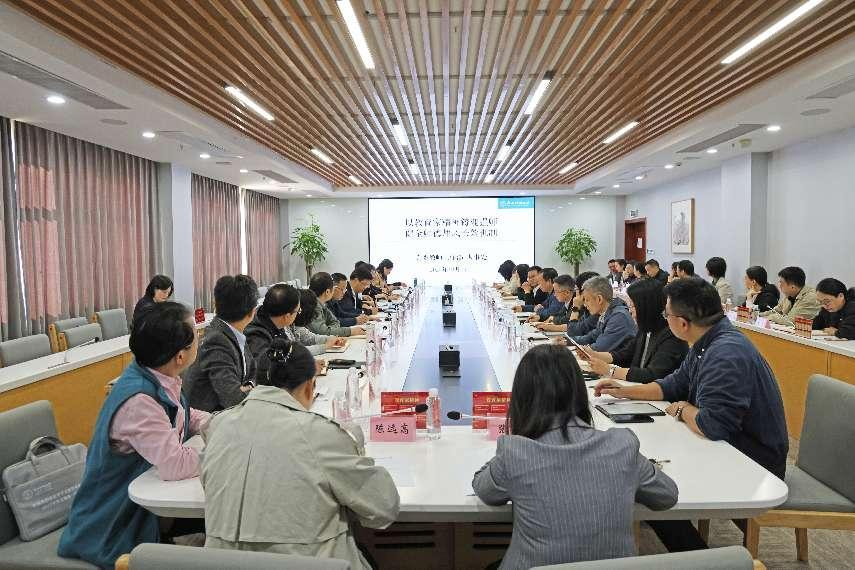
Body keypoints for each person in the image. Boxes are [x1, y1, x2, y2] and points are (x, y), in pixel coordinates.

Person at [595, 278, 788, 552]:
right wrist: (624, 392)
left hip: (752, 461)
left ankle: (702, 558)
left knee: (653, 492)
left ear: (683, 323)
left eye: (667, 315)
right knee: (650, 474)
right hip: (727, 447)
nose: (665, 319)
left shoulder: (725, 353)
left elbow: (712, 425)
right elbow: (672, 385)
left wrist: (683, 408)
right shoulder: (706, 340)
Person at [472, 344, 678, 569]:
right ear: (579, 392)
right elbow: (667, 495)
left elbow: (484, 490)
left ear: (522, 398)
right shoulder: (622, 446)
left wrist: (512, 443)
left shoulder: (515, 452)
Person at [202, 337, 400, 569]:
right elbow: (384, 507)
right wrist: (354, 447)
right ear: (309, 386)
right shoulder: (321, 434)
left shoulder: (218, 426)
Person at [59, 303, 209, 568]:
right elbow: (175, 464)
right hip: (112, 522)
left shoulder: (155, 374)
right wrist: (220, 451)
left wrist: (219, 423)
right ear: (180, 356)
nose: (200, 338)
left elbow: (183, 414)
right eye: (196, 335)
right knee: (219, 524)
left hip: (140, 508)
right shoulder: (139, 400)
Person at [579, 279, 689, 383]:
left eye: (632, 306)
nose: (630, 311)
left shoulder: (671, 335)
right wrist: (593, 355)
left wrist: (610, 370)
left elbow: (653, 374)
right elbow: (624, 354)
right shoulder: (645, 329)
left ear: (646, 307)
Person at [184, 275, 258, 412]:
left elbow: (253, 372)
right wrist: (251, 390)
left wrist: (248, 387)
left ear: (215, 305)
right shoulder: (216, 340)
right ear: (252, 312)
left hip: (228, 414)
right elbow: (233, 399)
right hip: (208, 420)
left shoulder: (233, 332)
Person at [563, 277, 637, 351]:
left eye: (587, 300)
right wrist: (566, 341)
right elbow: (590, 338)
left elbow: (599, 348)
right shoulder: (607, 313)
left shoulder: (619, 317)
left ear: (599, 299)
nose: (585, 304)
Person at [308, 272, 364, 337]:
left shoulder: (322, 304)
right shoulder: (313, 305)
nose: (344, 293)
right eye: (333, 289)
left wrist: (331, 329)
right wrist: (350, 331)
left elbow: (335, 321)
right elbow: (322, 332)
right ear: (327, 292)